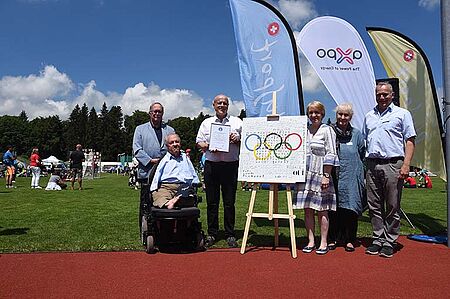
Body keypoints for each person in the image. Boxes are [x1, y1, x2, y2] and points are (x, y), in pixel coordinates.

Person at [363, 81, 416, 258]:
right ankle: (378, 239)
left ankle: (390, 241)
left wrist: (406, 164)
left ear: (392, 95)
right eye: (379, 94)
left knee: (392, 205)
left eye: (385, 94)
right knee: (374, 205)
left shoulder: (402, 114)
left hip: (393, 164)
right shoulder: (369, 115)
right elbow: (365, 140)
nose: (382, 97)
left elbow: (410, 140)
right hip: (372, 164)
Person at [196, 94, 242, 248]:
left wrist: (238, 139)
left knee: (229, 203)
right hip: (212, 166)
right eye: (219, 103)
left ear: (228, 105)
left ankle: (230, 234)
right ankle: (212, 233)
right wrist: (209, 146)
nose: (222, 105)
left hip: (230, 166)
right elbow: (199, 142)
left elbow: (248, 142)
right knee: (212, 202)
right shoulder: (206, 123)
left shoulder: (237, 122)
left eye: (225, 103)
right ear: (213, 105)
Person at [293, 101, 339, 255]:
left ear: (322, 114)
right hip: (304, 175)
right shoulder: (303, 130)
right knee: (307, 210)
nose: (314, 115)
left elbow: (331, 153)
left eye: (317, 112)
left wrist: (326, 175)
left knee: (322, 210)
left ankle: (323, 241)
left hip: (321, 173)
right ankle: (311, 240)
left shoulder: (328, 130)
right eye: (311, 112)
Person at [328, 103, 366, 252]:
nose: (343, 117)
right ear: (336, 115)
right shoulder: (329, 132)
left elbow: (362, 153)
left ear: (350, 117)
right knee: (333, 209)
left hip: (351, 177)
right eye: (340, 114)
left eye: (346, 115)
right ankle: (333, 239)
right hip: (334, 176)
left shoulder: (356, 134)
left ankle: (350, 239)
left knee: (350, 210)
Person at [133, 102, 175, 227]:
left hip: (165, 174)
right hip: (147, 172)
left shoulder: (170, 130)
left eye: (159, 111)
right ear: (150, 113)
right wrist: (150, 160)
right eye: (154, 111)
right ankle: (144, 227)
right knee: (146, 202)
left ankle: (165, 226)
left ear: (163, 114)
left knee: (163, 199)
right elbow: (136, 149)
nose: (157, 113)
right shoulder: (140, 129)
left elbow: (174, 146)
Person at [150, 133, 199, 209]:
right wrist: (153, 189)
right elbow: (157, 174)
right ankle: (170, 202)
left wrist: (196, 183)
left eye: (177, 142)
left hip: (184, 187)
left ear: (180, 143)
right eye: (171, 142)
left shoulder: (185, 158)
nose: (175, 144)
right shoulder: (164, 159)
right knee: (158, 196)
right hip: (167, 187)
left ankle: (174, 201)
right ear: (167, 146)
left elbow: (193, 172)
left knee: (191, 197)